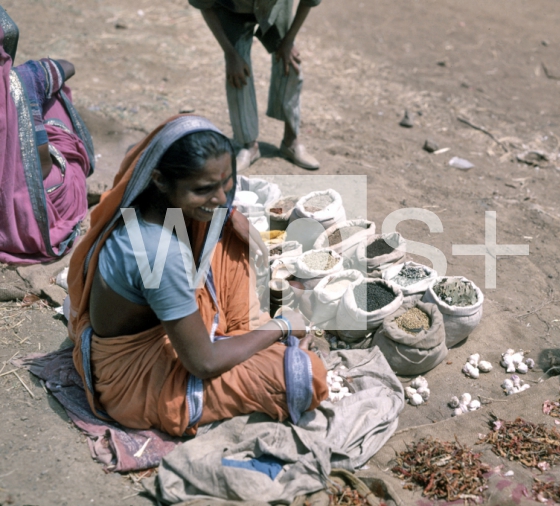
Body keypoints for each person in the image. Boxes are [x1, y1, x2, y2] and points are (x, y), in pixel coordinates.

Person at [66, 115, 328, 436]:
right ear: (160, 179)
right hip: (136, 381)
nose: (219, 197)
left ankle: (240, 334)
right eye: (204, 189)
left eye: (226, 182)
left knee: (224, 228)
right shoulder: (158, 252)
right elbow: (203, 364)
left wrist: (231, 213)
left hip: (170, 325)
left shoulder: (149, 198)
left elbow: (205, 192)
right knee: (307, 374)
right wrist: (282, 325)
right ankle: (247, 337)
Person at [0, 6, 95, 264]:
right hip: (34, 222)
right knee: (50, 93)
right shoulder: (23, 80)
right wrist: (35, 73)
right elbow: (68, 66)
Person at [190, 0, 321, 172]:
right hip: (231, 10)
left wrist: (288, 40)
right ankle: (249, 145)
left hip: (276, 8)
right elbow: (204, 6)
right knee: (237, 75)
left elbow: (309, 2)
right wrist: (230, 54)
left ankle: (291, 141)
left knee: (290, 63)